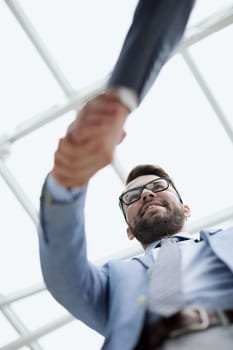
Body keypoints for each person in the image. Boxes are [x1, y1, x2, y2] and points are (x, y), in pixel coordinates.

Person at [39, 92, 233, 350]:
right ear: (129, 231)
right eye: (132, 196)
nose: (146, 193)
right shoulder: (113, 282)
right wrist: (67, 183)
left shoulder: (227, 240)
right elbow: (63, 274)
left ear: (186, 209)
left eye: (157, 186)